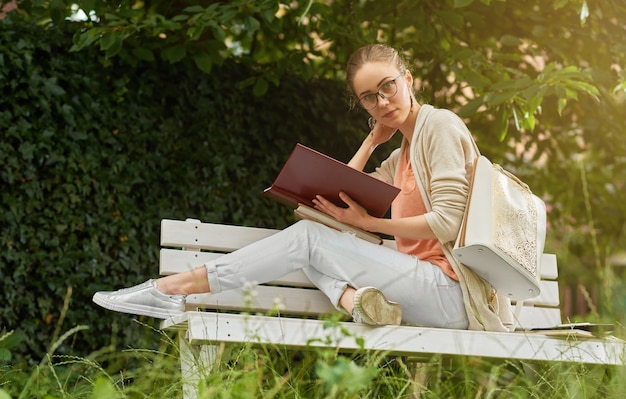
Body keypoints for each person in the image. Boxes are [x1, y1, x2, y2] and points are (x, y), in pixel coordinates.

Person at [93, 44, 510, 331]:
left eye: (388, 86)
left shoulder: (439, 126)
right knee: (317, 237)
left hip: (455, 295)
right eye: (369, 97)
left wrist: (368, 223)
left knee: (309, 239)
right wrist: (369, 143)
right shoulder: (402, 153)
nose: (382, 101)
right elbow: (344, 198)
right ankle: (359, 305)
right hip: (426, 288)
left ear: (408, 79)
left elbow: (447, 221)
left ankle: (170, 289)